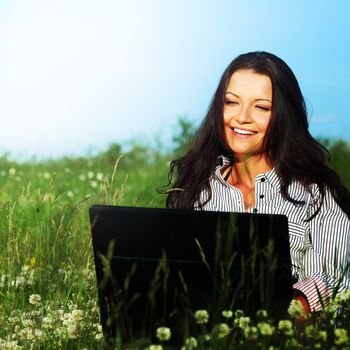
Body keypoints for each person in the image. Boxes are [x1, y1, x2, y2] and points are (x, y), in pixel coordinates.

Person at [166, 51, 350, 314]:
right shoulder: (197, 190)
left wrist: (280, 314)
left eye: (261, 107)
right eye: (231, 102)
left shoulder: (316, 195)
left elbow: (336, 280)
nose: (242, 117)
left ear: (283, 116)